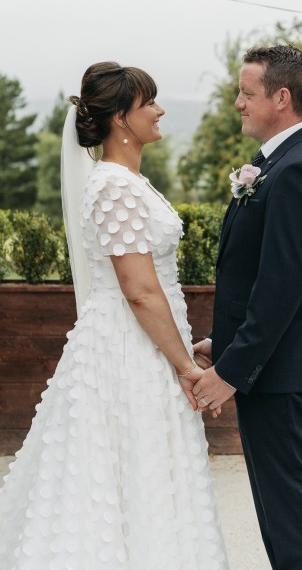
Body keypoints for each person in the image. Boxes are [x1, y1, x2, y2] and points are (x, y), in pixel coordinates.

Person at [0, 61, 229, 569]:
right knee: (127, 460)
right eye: (149, 102)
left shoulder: (127, 181)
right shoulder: (115, 186)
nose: (159, 109)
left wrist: (180, 349)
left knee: (144, 463)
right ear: (121, 118)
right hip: (128, 350)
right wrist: (185, 367)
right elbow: (140, 289)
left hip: (148, 342)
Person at [192, 45, 302, 570]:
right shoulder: (274, 163)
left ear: (281, 97)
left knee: (290, 509)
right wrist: (224, 344)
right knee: (277, 510)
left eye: (245, 93)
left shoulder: (298, 170)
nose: (237, 103)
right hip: (267, 367)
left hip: (278, 371)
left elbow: (282, 288)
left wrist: (231, 371)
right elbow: (256, 276)